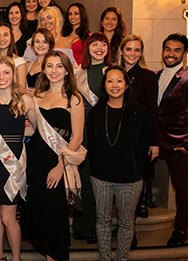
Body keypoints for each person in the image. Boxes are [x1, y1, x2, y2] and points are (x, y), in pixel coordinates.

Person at [21, 51, 85, 261]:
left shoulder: (74, 99)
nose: (54, 71)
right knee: (40, 213)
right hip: (36, 160)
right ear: (44, 69)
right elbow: (33, 128)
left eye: (59, 66)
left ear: (67, 70)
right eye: (50, 66)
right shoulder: (37, 96)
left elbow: (77, 138)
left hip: (58, 162)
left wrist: (60, 166)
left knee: (55, 216)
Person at [87, 66, 151, 261]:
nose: (114, 85)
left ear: (126, 84)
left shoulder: (139, 112)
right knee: (102, 220)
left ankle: (122, 258)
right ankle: (105, 258)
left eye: (119, 81)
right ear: (104, 85)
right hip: (101, 178)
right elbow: (92, 145)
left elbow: (144, 147)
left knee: (126, 222)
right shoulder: (96, 112)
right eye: (110, 81)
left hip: (130, 178)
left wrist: (139, 172)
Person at [0, 56, 36, 261]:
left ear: (13, 75)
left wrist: (16, 134)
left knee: (8, 217)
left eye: (6, 72)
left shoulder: (25, 100)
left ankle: (16, 258)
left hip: (13, 165)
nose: (1, 77)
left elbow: (34, 130)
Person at [156, 33, 188, 247]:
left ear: (184, 53)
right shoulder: (154, 75)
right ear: (162, 50)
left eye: (177, 50)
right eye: (168, 49)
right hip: (154, 142)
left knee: (182, 186)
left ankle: (181, 229)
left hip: (177, 143)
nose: (171, 54)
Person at [73, 32, 113, 244]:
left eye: (103, 44)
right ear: (87, 48)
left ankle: (99, 227)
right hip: (83, 133)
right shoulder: (80, 72)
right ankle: (82, 225)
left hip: (102, 133)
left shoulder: (112, 72)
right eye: (94, 44)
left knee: (100, 181)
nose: (99, 47)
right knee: (84, 179)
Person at [117, 34, 159, 218]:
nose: (132, 54)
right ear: (121, 50)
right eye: (128, 49)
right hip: (117, 135)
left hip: (138, 136)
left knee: (135, 179)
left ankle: (129, 226)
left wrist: (154, 142)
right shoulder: (114, 74)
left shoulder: (148, 76)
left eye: (137, 50)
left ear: (141, 53)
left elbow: (152, 111)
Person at [0, 23, 27, 90]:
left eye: (5, 35)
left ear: (11, 37)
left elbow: (21, 90)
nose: (2, 39)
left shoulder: (19, 62)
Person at [25, 28, 55, 96]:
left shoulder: (53, 66)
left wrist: (40, 93)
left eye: (44, 42)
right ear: (32, 44)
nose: (40, 45)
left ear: (50, 45)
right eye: (37, 41)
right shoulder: (28, 65)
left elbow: (58, 90)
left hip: (45, 104)